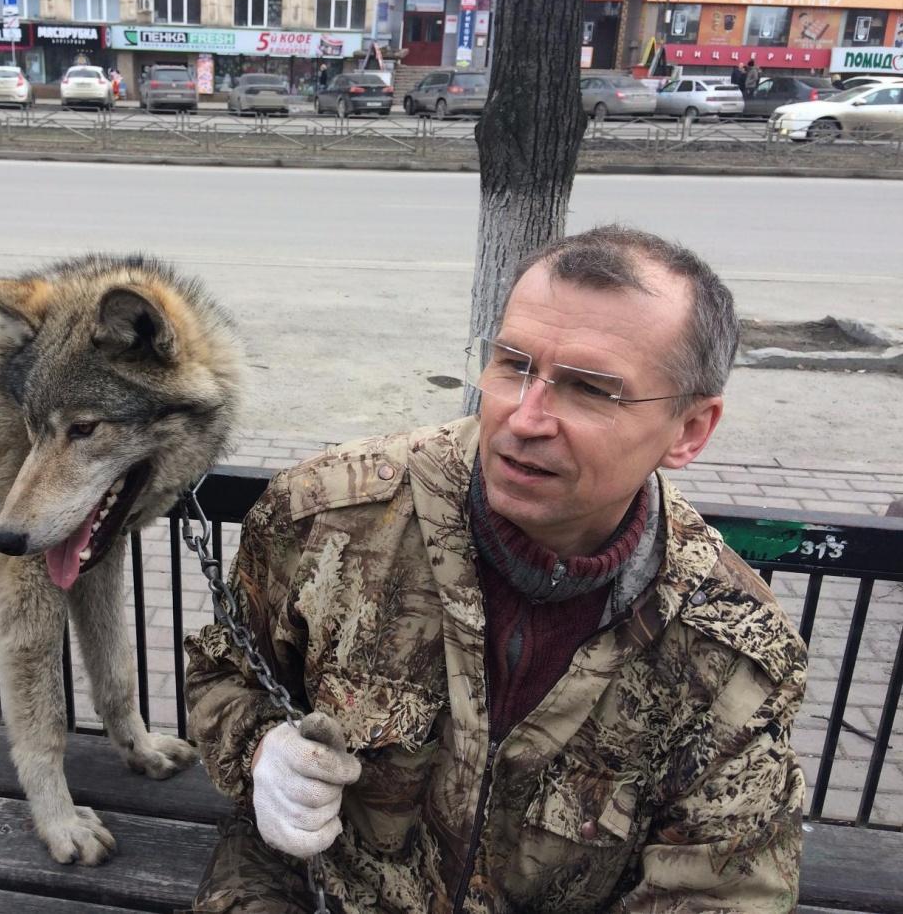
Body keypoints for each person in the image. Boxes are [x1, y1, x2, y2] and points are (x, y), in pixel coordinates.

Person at [185, 225, 807, 914]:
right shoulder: (328, 518)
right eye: (513, 364)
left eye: (590, 390)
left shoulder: (730, 648)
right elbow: (226, 676)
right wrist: (260, 749)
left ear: (690, 429)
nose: (524, 416)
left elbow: (722, 889)